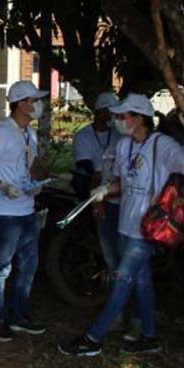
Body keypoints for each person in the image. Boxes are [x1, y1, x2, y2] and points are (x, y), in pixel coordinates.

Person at [60, 94, 184, 356]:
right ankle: (150, 336)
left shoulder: (162, 145)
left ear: (139, 118)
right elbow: (123, 184)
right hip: (125, 224)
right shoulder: (124, 146)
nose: (118, 120)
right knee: (142, 280)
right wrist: (104, 190)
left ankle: (93, 338)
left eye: (123, 116)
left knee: (122, 279)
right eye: (117, 116)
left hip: (147, 229)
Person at [0, 80, 50, 342]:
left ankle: (19, 315)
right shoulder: (1, 132)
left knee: (28, 266)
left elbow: (28, 168)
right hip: (3, 211)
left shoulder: (28, 133)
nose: (38, 105)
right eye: (34, 100)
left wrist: (35, 184)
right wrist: (4, 186)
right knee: (1, 267)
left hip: (26, 210)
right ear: (21, 104)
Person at [72, 92, 121, 275]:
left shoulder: (119, 135)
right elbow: (85, 165)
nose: (112, 116)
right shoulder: (83, 135)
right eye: (109, 111)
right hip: (94, 188)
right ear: (99, 112)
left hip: (115, 189)